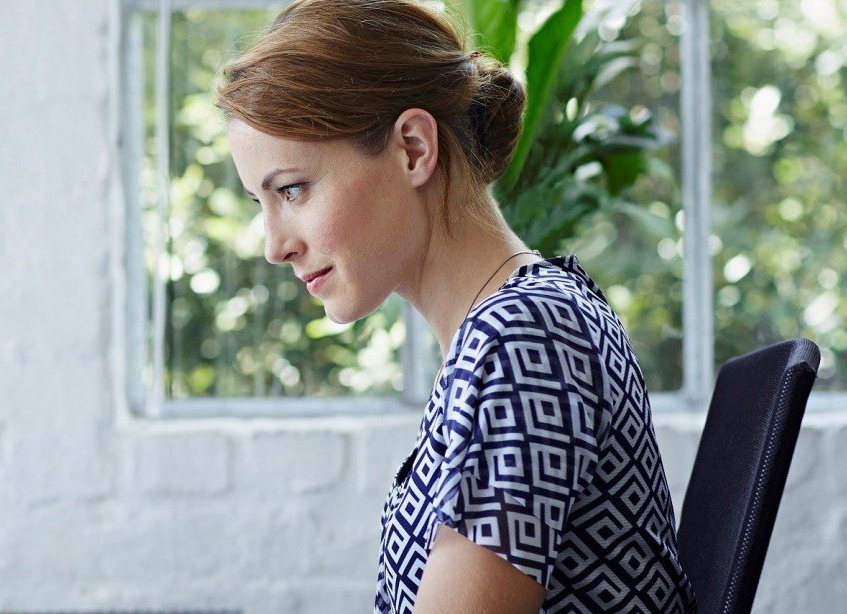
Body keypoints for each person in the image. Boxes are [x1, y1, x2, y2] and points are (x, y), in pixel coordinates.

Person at [213, 1, 695, 612]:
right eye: (263, 202)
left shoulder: (525, 339)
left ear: (414, 148)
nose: (275, 246)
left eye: (293, 189)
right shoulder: (515, 326)